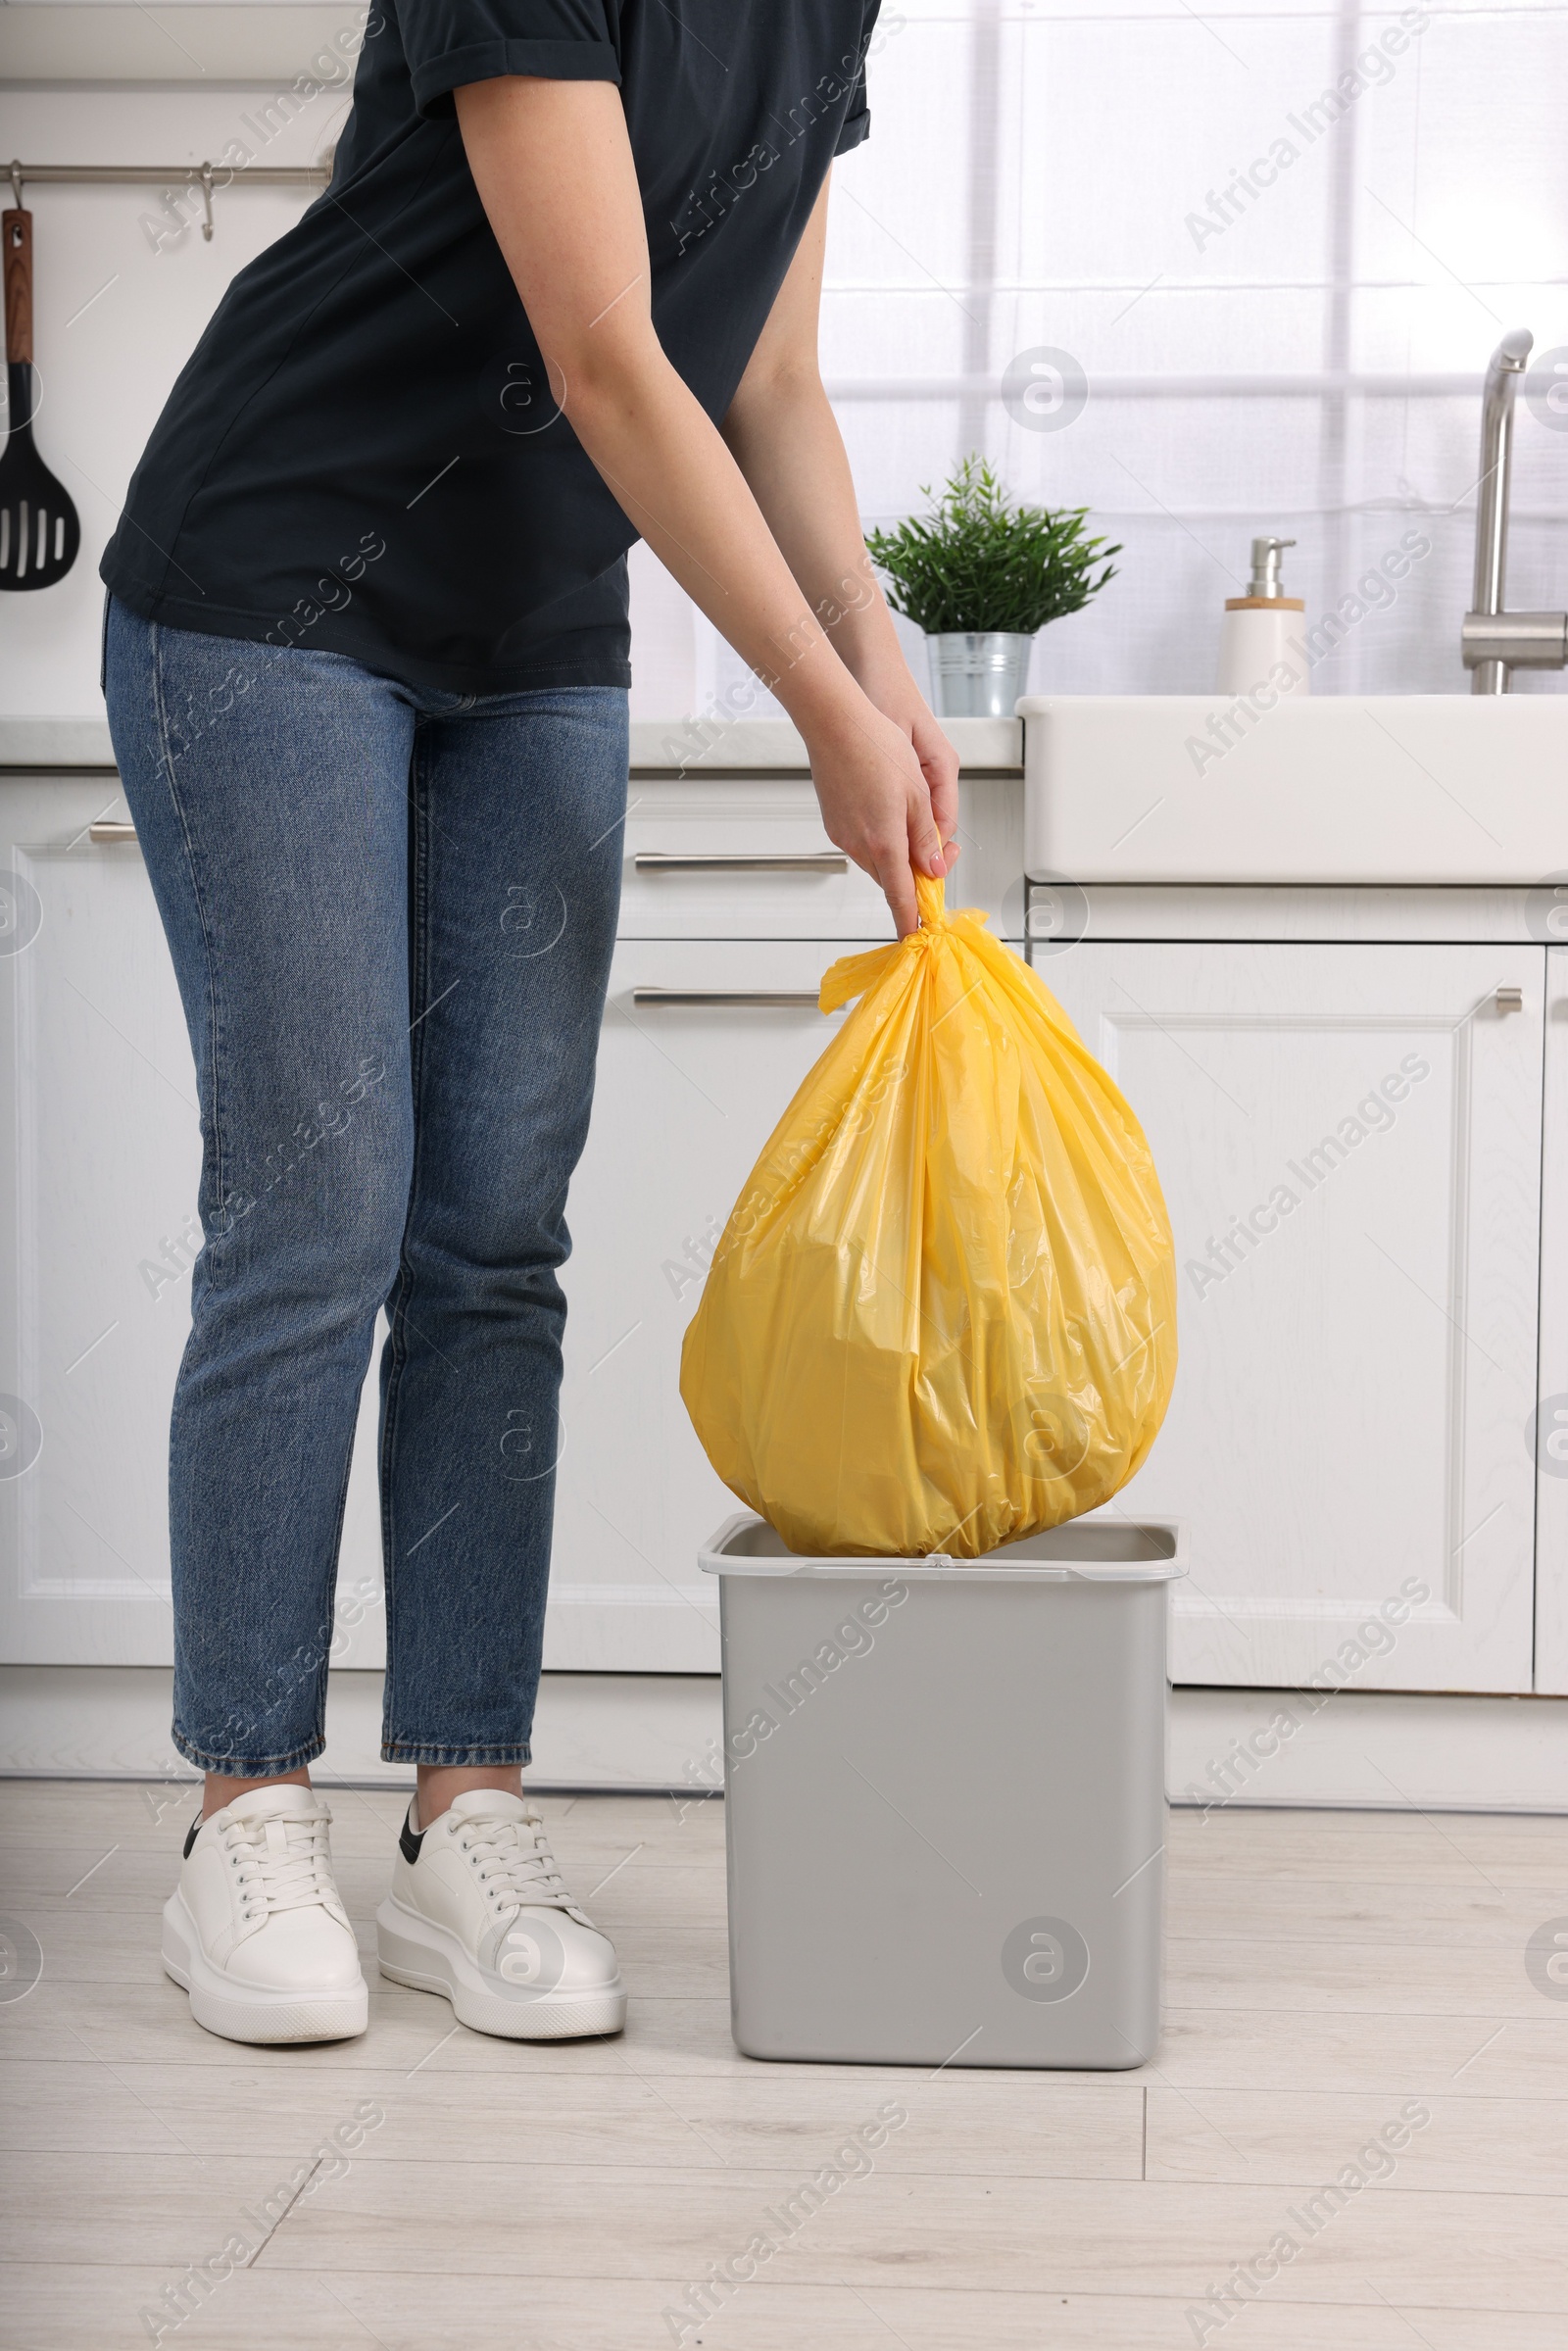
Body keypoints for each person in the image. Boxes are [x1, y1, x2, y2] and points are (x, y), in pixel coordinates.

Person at [101, 0, 958, 2047]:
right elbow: (602, 356)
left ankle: (460, 1802)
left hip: (534, 635)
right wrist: (815, 713)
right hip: (274, 586)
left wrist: (876, 645)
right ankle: (245, 1808)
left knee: (495, 1237)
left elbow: (762, 369)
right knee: (318, 1212)